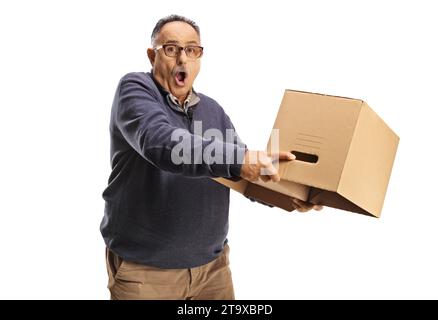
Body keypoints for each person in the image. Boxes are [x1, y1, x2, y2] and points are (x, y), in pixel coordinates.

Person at [100, 14, 322, 300]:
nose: (183, 58)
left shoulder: (213, 111)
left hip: (213, 271)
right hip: (147, 274)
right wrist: (241, 160)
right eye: (171, 49)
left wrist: (289, 195)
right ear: (151, 55)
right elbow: (160, 143)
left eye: (192, 50)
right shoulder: (135, 90)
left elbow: (240, 173)